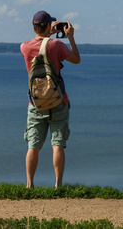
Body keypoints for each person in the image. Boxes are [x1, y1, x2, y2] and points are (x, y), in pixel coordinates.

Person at [20, 10, 80, 188]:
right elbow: (76, 59)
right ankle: (58, 185)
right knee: (58, 144)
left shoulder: (24, 47)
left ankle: (29, 185)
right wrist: (70, 37)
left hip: (36, 102)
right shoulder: (56, 45)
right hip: (58, 101)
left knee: (33, 146)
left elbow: (37, 44)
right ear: (48, 26)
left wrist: (46, 34)